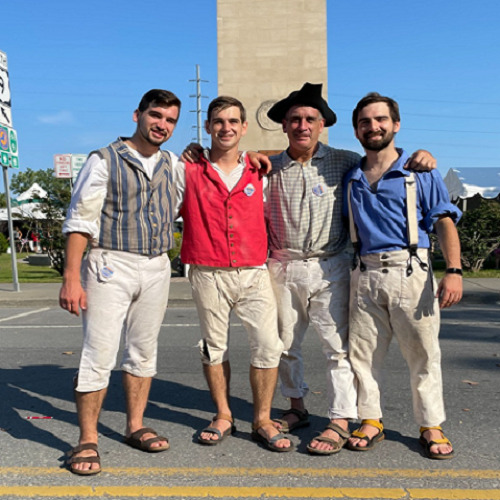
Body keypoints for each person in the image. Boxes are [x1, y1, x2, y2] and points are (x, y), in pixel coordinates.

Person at [264, 82, 437, 455]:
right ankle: (296, 408)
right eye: (295, 119)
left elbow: (387, 158)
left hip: (332, 266)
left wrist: (422, 155)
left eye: (310, 118)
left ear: (323, 124)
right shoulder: (268, 167)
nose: (302, 125)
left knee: (338, 348)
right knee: (284, 345)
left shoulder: (345, 161)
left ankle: (341, 418)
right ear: (284, 126)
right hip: (282, 264)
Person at [59, 89, 181, 475]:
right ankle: (87, 439)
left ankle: (134, 424)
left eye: (170, 119)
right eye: (155, 115)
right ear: (137, 115)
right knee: (99, 353)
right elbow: (80, 220)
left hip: (156, 265)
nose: (161, 124)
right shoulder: (104, 160)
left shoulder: (172, 164)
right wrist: (71, 279)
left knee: (143, 351)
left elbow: (176, 207)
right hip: (110, 261)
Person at [344, 92, 462, 459]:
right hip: (364, 272)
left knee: (424, 355)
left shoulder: (419, 172)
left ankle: (430, 424)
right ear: (357, 129)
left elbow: (443, 221)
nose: (373, 127)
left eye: (380, 120)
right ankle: (370, 419)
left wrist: (454, 271)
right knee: (361, 356)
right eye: (365, 121)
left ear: (395, 125)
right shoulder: (351, 175)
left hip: (411, 270)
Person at [174, 96, 292, 452]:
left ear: (244, 127)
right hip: (207, 271)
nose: (225, 128)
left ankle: (262, 418)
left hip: (254, 270)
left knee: (269, 345)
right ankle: (223, 414)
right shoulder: (188, 169)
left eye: (232, 122)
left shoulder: (260, 169)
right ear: (208, 127)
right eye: (218, 122)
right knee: (214, 347)